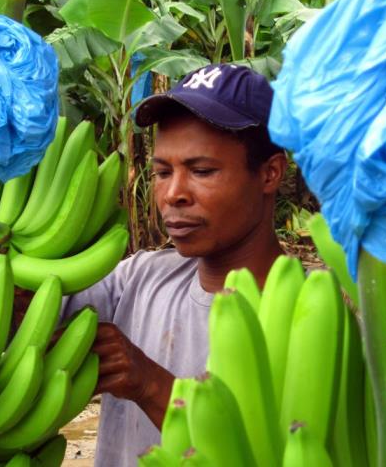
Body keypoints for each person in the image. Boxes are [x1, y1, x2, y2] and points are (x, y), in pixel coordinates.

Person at [60, 64, 288, 466]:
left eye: (201, 171)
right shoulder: (141, 277)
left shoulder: (310, 320)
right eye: (163, 172)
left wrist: (149, 384)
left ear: (270, 173)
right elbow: (31, 317)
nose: (173, 194)